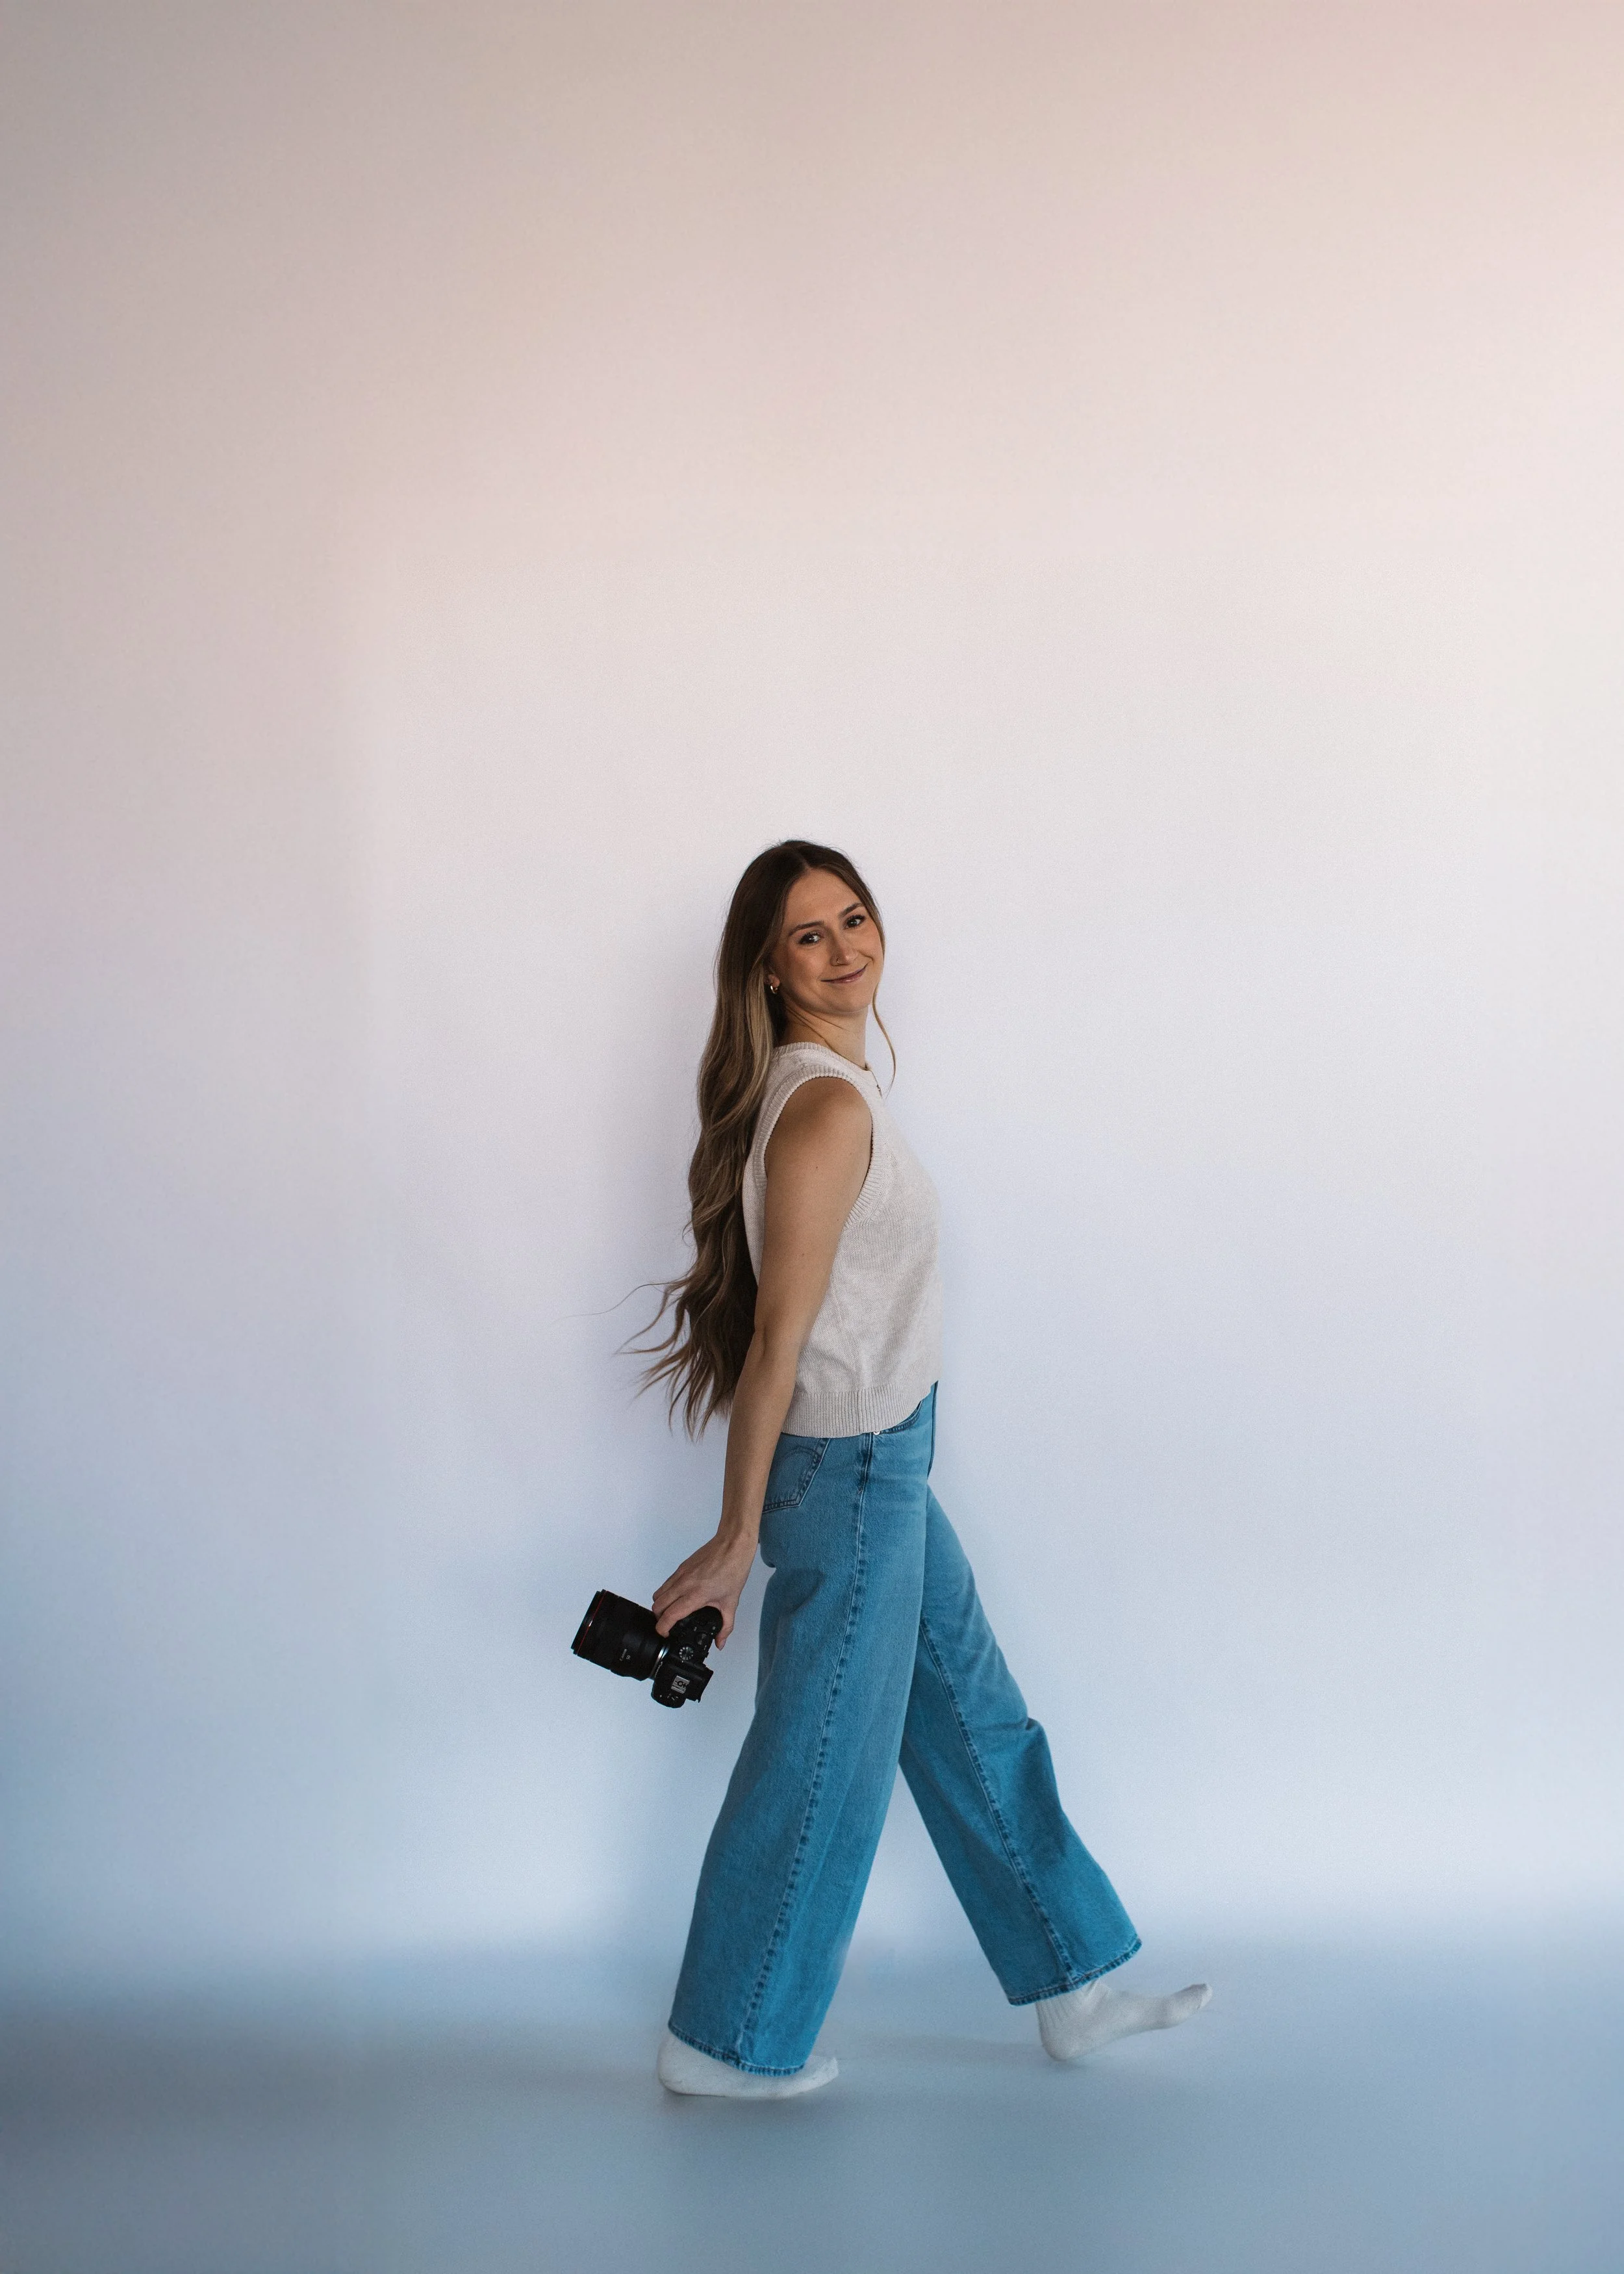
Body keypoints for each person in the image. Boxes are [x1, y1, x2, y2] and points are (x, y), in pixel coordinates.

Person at [638, 840, 1209, 2098]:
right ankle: (721, 2041)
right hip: (848, 1474)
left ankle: (1067, 1982)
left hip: (880, 1462)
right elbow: (777, 1338)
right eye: (808, 935)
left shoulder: (829, 1090)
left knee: (969, 1712)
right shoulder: (825, 1109)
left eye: (854, 918)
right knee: (821, 1757)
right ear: (769, 972)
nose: (845, 948)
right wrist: (734, 1539)